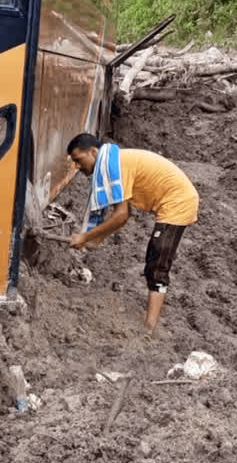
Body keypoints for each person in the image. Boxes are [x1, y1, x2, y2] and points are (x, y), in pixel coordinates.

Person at [66, 133, 199, 333]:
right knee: (154, 261)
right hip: (174, 198)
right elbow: (125, 213)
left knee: (157, 263)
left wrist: (86, 236)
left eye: (78, 160)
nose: (77, 166)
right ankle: (150, 323)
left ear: (93, 152)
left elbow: (120, 215)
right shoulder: (115, 161)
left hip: (177, 202)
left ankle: (149, 329)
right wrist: (96, 238)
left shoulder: (114, 166)